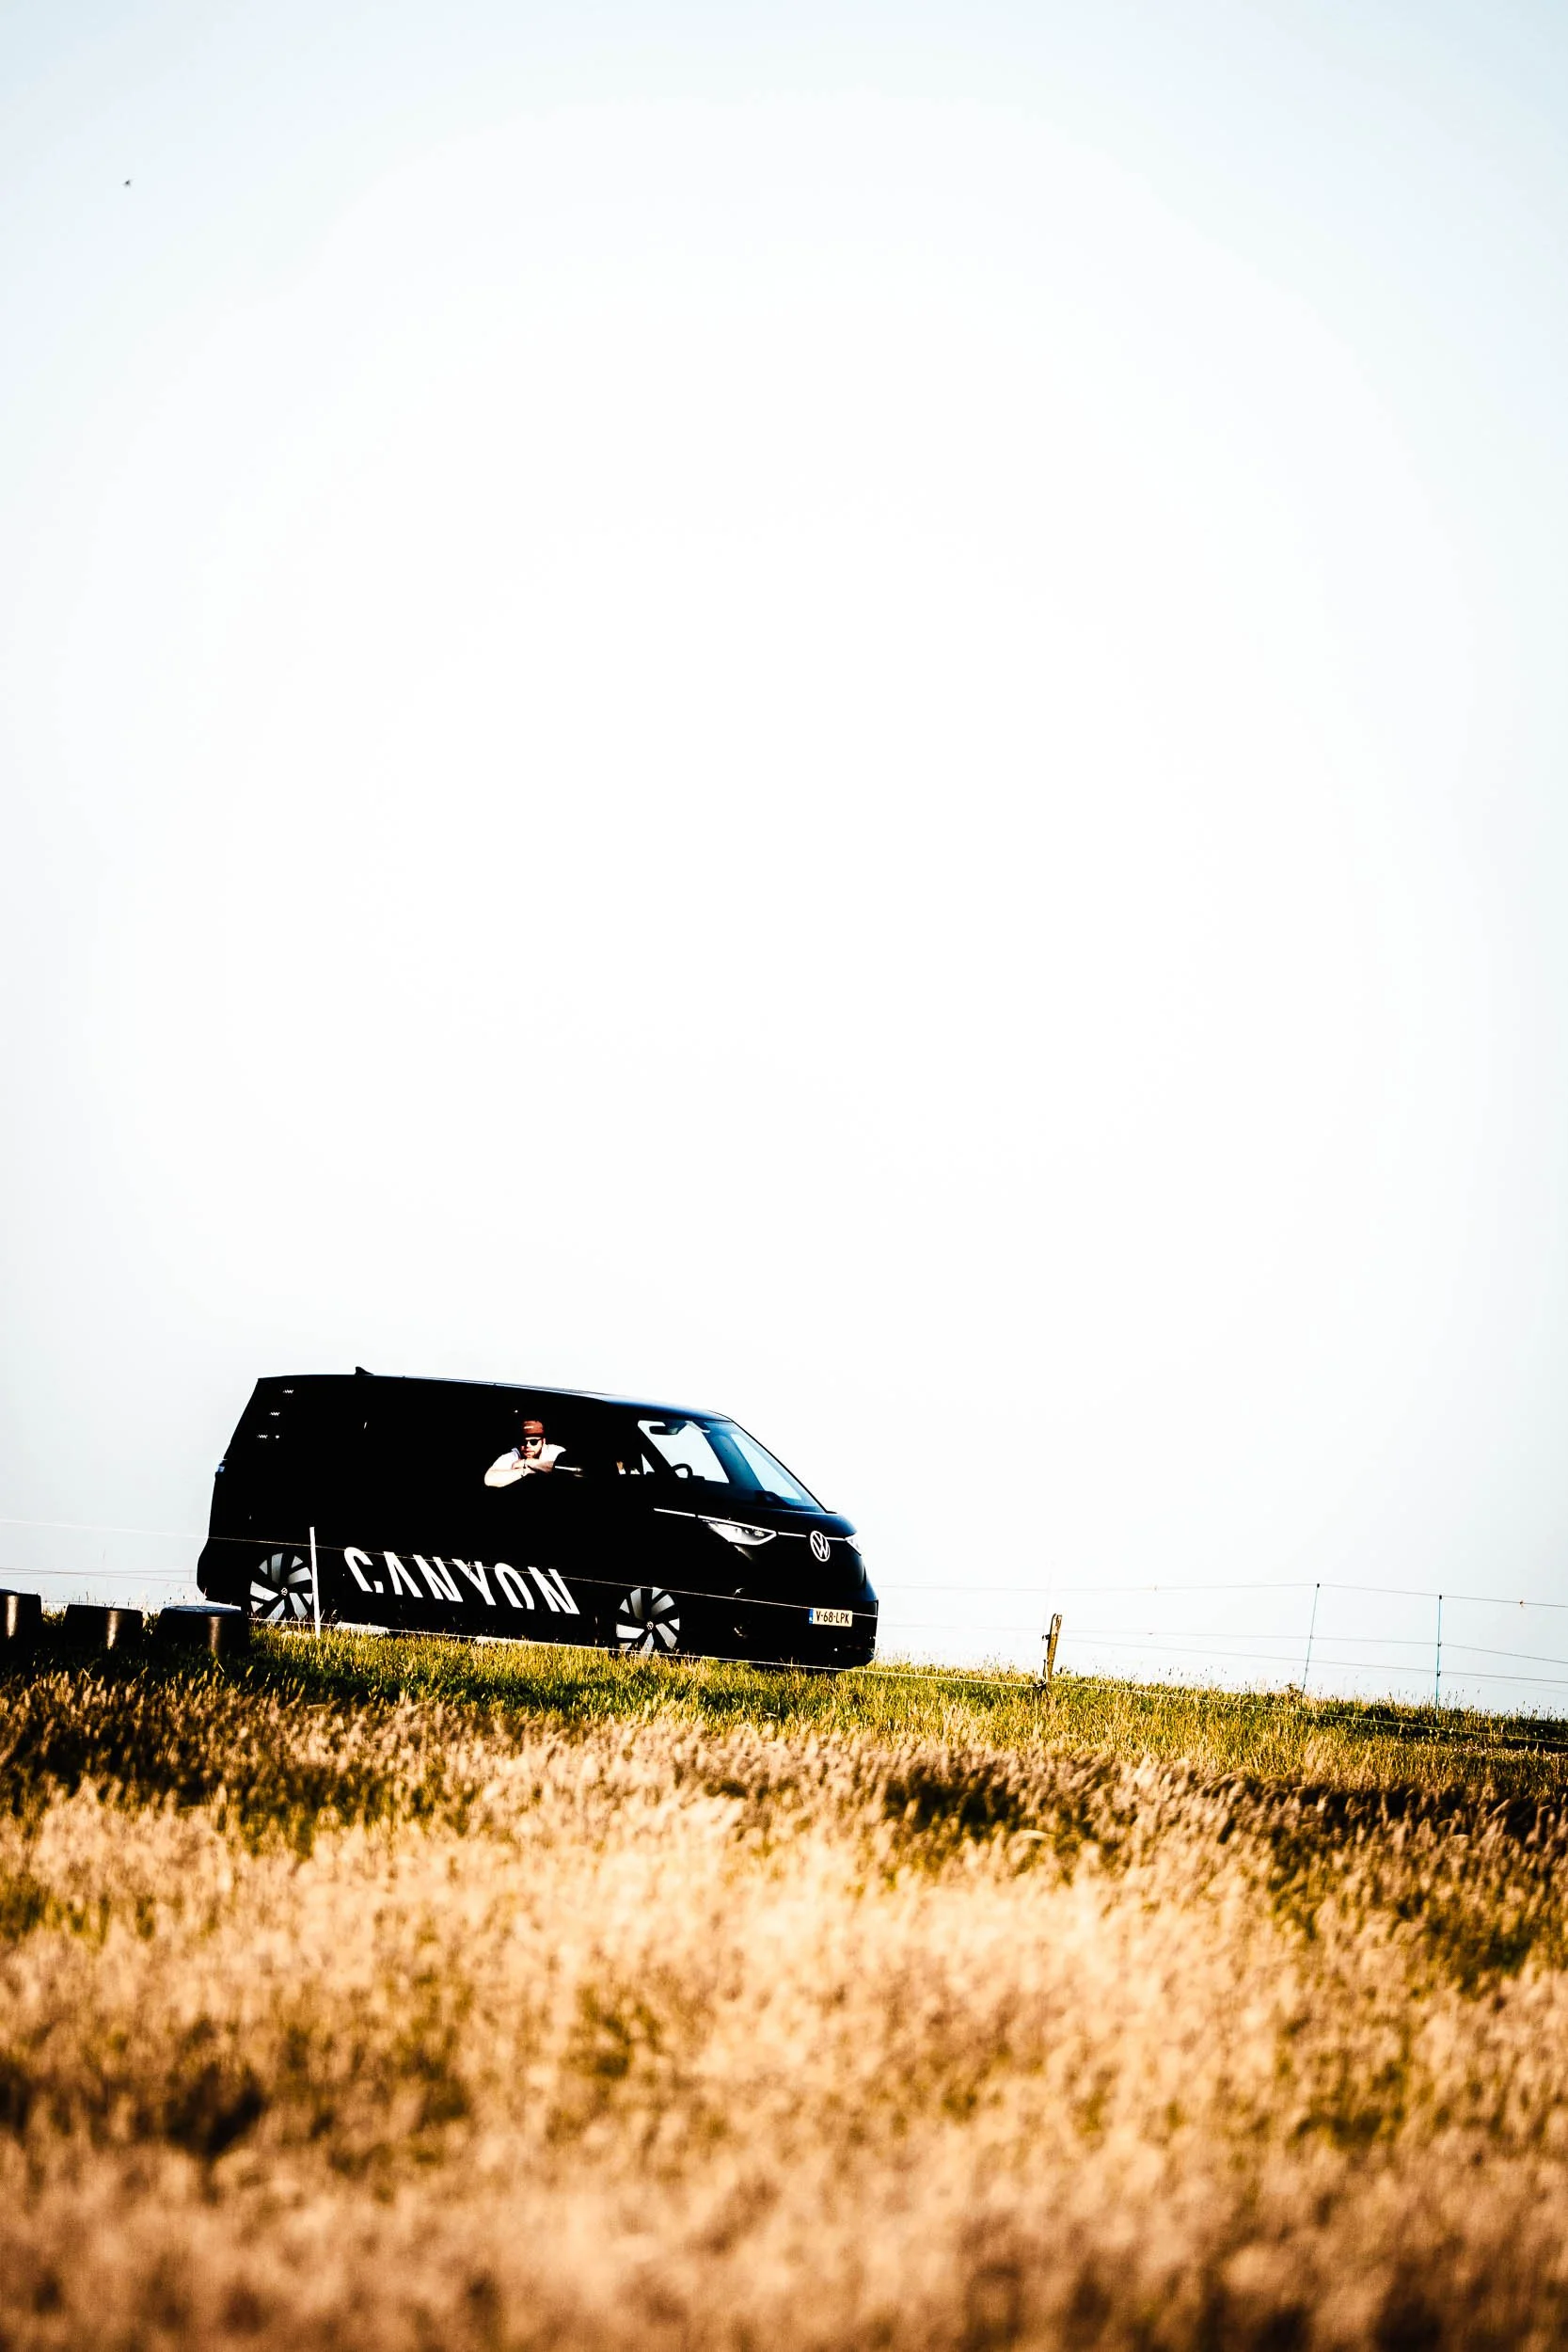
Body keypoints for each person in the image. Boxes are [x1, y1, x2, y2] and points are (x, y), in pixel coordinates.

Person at [484, 1417, 571, 1486]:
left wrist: (527, 1462)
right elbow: (489, 1480)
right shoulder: (514, 1455)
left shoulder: (554, 1450)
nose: (528, 1445)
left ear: (543, 1442)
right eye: (523, 1442)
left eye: (533, 1442)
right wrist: (526, 1470)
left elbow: (568, 1471)